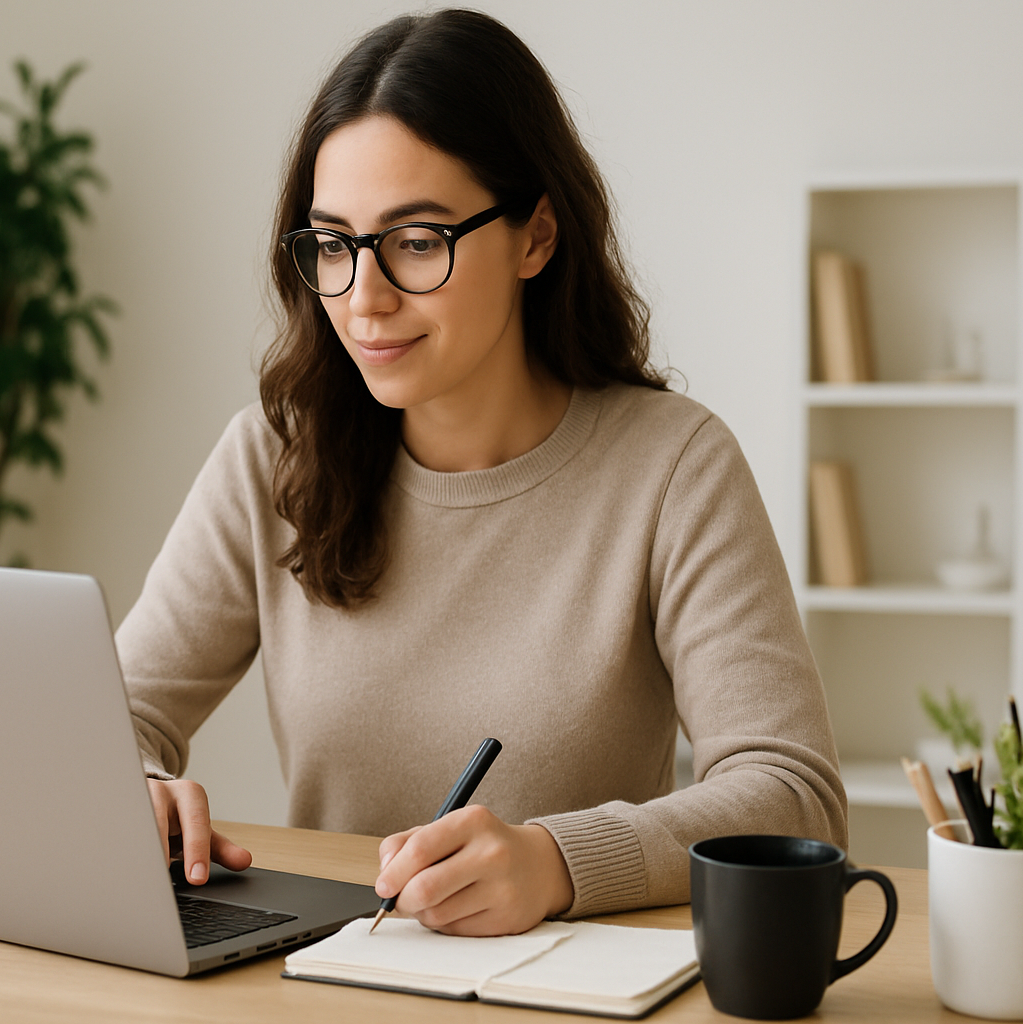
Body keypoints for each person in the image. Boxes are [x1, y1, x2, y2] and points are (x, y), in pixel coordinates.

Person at [117, 8, 846, 938]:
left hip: (569, 986)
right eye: (333, 245)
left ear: (536, 236)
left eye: (417, 241)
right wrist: (132, 786)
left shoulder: (674, 467)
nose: (364, 299)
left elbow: (794, 795)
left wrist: (558, 863)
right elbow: (115, 715)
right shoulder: (275, 455)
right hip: (334, 980)